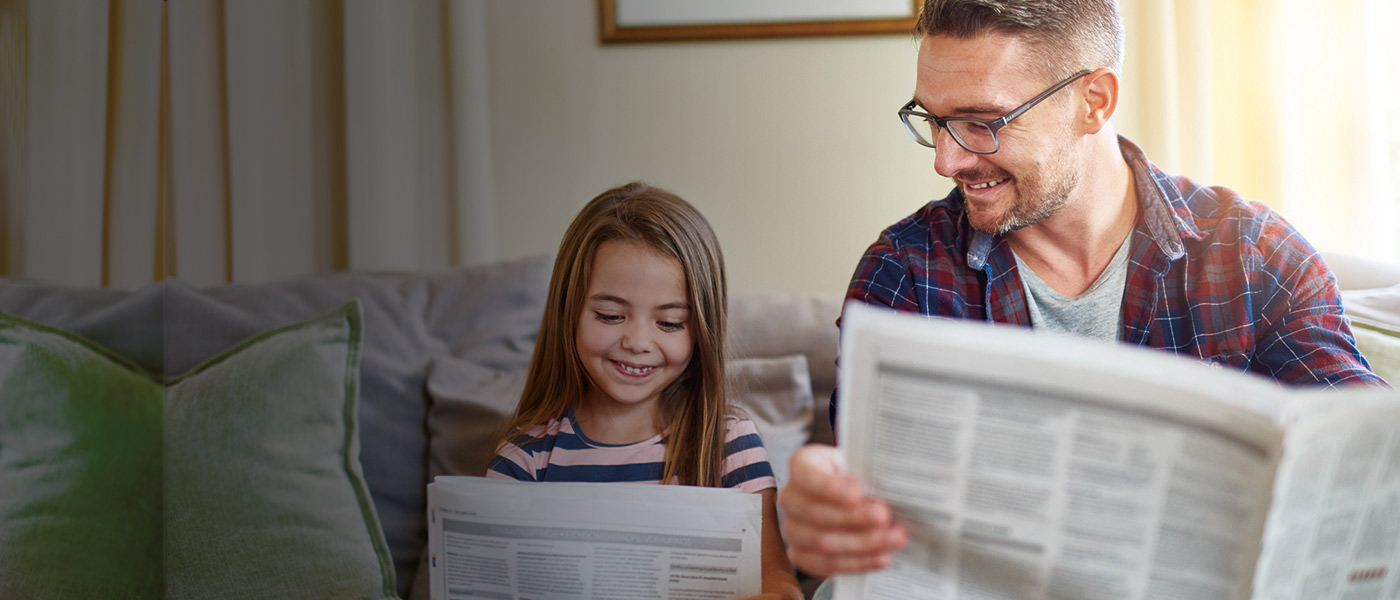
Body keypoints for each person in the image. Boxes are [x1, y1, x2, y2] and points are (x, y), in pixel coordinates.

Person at [779, 0, 1386, 579]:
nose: (946, 160)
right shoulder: (906, 272)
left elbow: (1372, 460)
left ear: (1094, 101)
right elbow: (867, 501)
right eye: (934, 121)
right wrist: (824, 501)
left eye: (982, 123)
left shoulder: (1254, 256)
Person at [487, 182, 802, 599]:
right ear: (571, 313)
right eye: (611, 315)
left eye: (669, 323)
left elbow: (778, 581)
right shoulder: (525, 460)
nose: (637, 341)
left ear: (702, 329)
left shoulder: (730, 445)